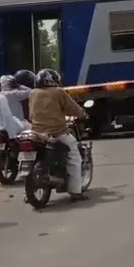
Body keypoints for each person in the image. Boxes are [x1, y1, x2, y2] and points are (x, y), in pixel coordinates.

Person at [28, 68, 87, 200]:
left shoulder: (33, 93)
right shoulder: (58, 92)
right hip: (57, 132)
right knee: (74, 156)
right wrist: (82, 113)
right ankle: (76, 191)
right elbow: (73, 108)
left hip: (37, 133)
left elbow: (31, 114)